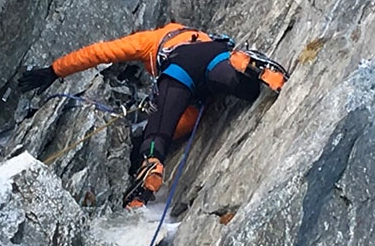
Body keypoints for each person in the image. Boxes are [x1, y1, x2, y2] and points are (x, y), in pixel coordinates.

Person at [18, 22, 286, 208]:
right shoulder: (200, 34)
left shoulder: (148, 40)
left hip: (181, 67)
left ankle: (149, 169)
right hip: (218, 55)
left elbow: (98, 53)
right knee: (243, 89)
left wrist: (54, 70)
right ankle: (249, 69)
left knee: (158, 132)